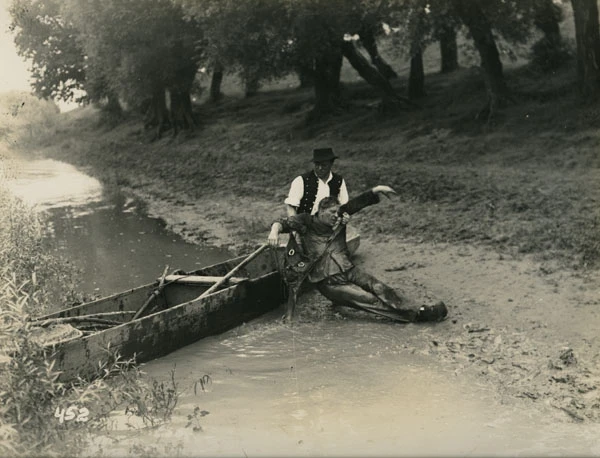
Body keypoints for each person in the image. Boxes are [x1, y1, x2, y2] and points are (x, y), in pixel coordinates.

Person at [269, 185, 448, 323]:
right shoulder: (306, 221)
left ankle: (415, 307)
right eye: (331, 212)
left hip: (348, 269)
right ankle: (416, 316)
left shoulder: (340, 218)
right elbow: (282, 222)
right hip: (327, 281)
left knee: (378, 286)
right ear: (321, 211)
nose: (335, 216)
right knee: (369, 301)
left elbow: (356, 204)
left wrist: (376, 190)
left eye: (337, 212)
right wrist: (274, 232)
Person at [285, 147, 349, 217]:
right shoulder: (301, 181)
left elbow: (343, 205)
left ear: (331, 164)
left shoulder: (338, 181)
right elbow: (291, 206)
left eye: (324, 165)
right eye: (317, 164)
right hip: (305, 224)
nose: (320, 168)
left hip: (329, 225)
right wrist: (295, 223)